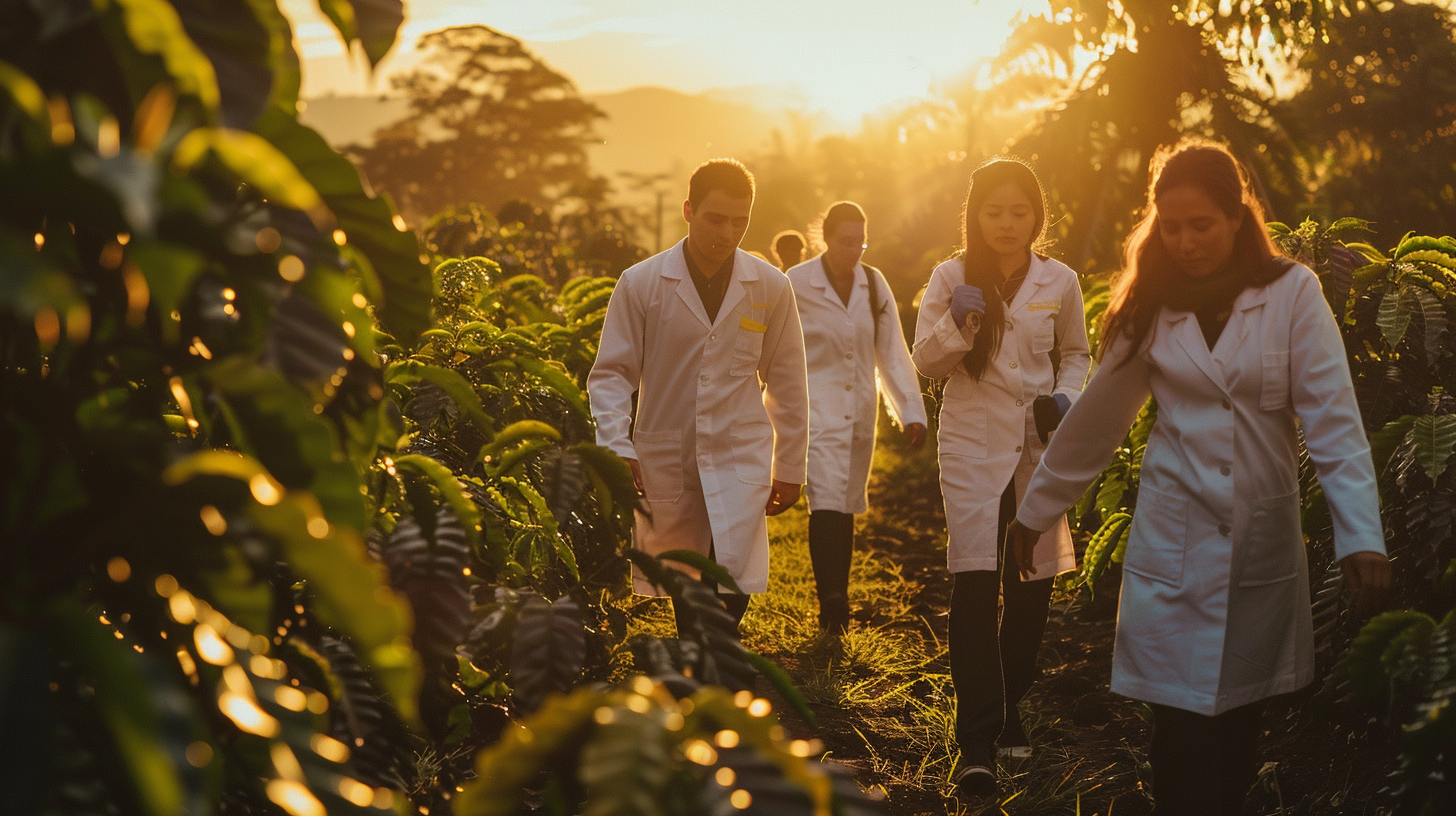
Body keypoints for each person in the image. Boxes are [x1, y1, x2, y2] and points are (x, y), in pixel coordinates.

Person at [1007, 140, 1391, 815]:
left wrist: (1362, 535)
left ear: (1238, 217)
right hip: (1172, 546)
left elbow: (1334, 420)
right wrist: (1036, 510)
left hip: (1258, 548)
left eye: (1201, 225)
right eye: (1172, 227)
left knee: (1237, 733)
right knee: (1179, 738)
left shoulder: (1292, 294)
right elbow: (1097, 422)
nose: (1185, 243)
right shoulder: (1152, 303)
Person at [911, 158, 1091, 797]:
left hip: (1037, 449)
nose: (1007, 224)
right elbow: (925, 364)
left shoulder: (1059, 280)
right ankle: (978, 738)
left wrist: (1068, 397)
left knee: (1031, 588)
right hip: (970, 446)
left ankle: (1013, 700)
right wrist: (957, 322)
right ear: (975, 216)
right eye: (994, 212)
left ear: (1037, 216)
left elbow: (1076, 354)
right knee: (974, 584)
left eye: (1020, 212)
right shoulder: (951, 277)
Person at [588, 159, 809, 630]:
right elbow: (611, 375)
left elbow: (788, 381)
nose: (728, 232)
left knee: (732, 580)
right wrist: (615, 446)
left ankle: (709, 671)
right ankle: (704, 681)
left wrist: (790, 467)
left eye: (740, 221)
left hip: (740, 451)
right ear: (688, 210)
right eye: (716, 218)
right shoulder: (642, 283)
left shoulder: (770, 286)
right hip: (670, 454)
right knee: (687, 581)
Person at [786, 202, 927, 635]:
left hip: (860, 412)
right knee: (825, 501)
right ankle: (833, 602)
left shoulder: (872, 282)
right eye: (846, 241)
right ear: (825, 237)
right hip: (815, 411)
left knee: (845, 503)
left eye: (861, 242)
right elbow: (775, 351)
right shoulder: (796, 283)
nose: (854, 250)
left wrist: (911, 412)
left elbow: (891, 350)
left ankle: (836, 597)